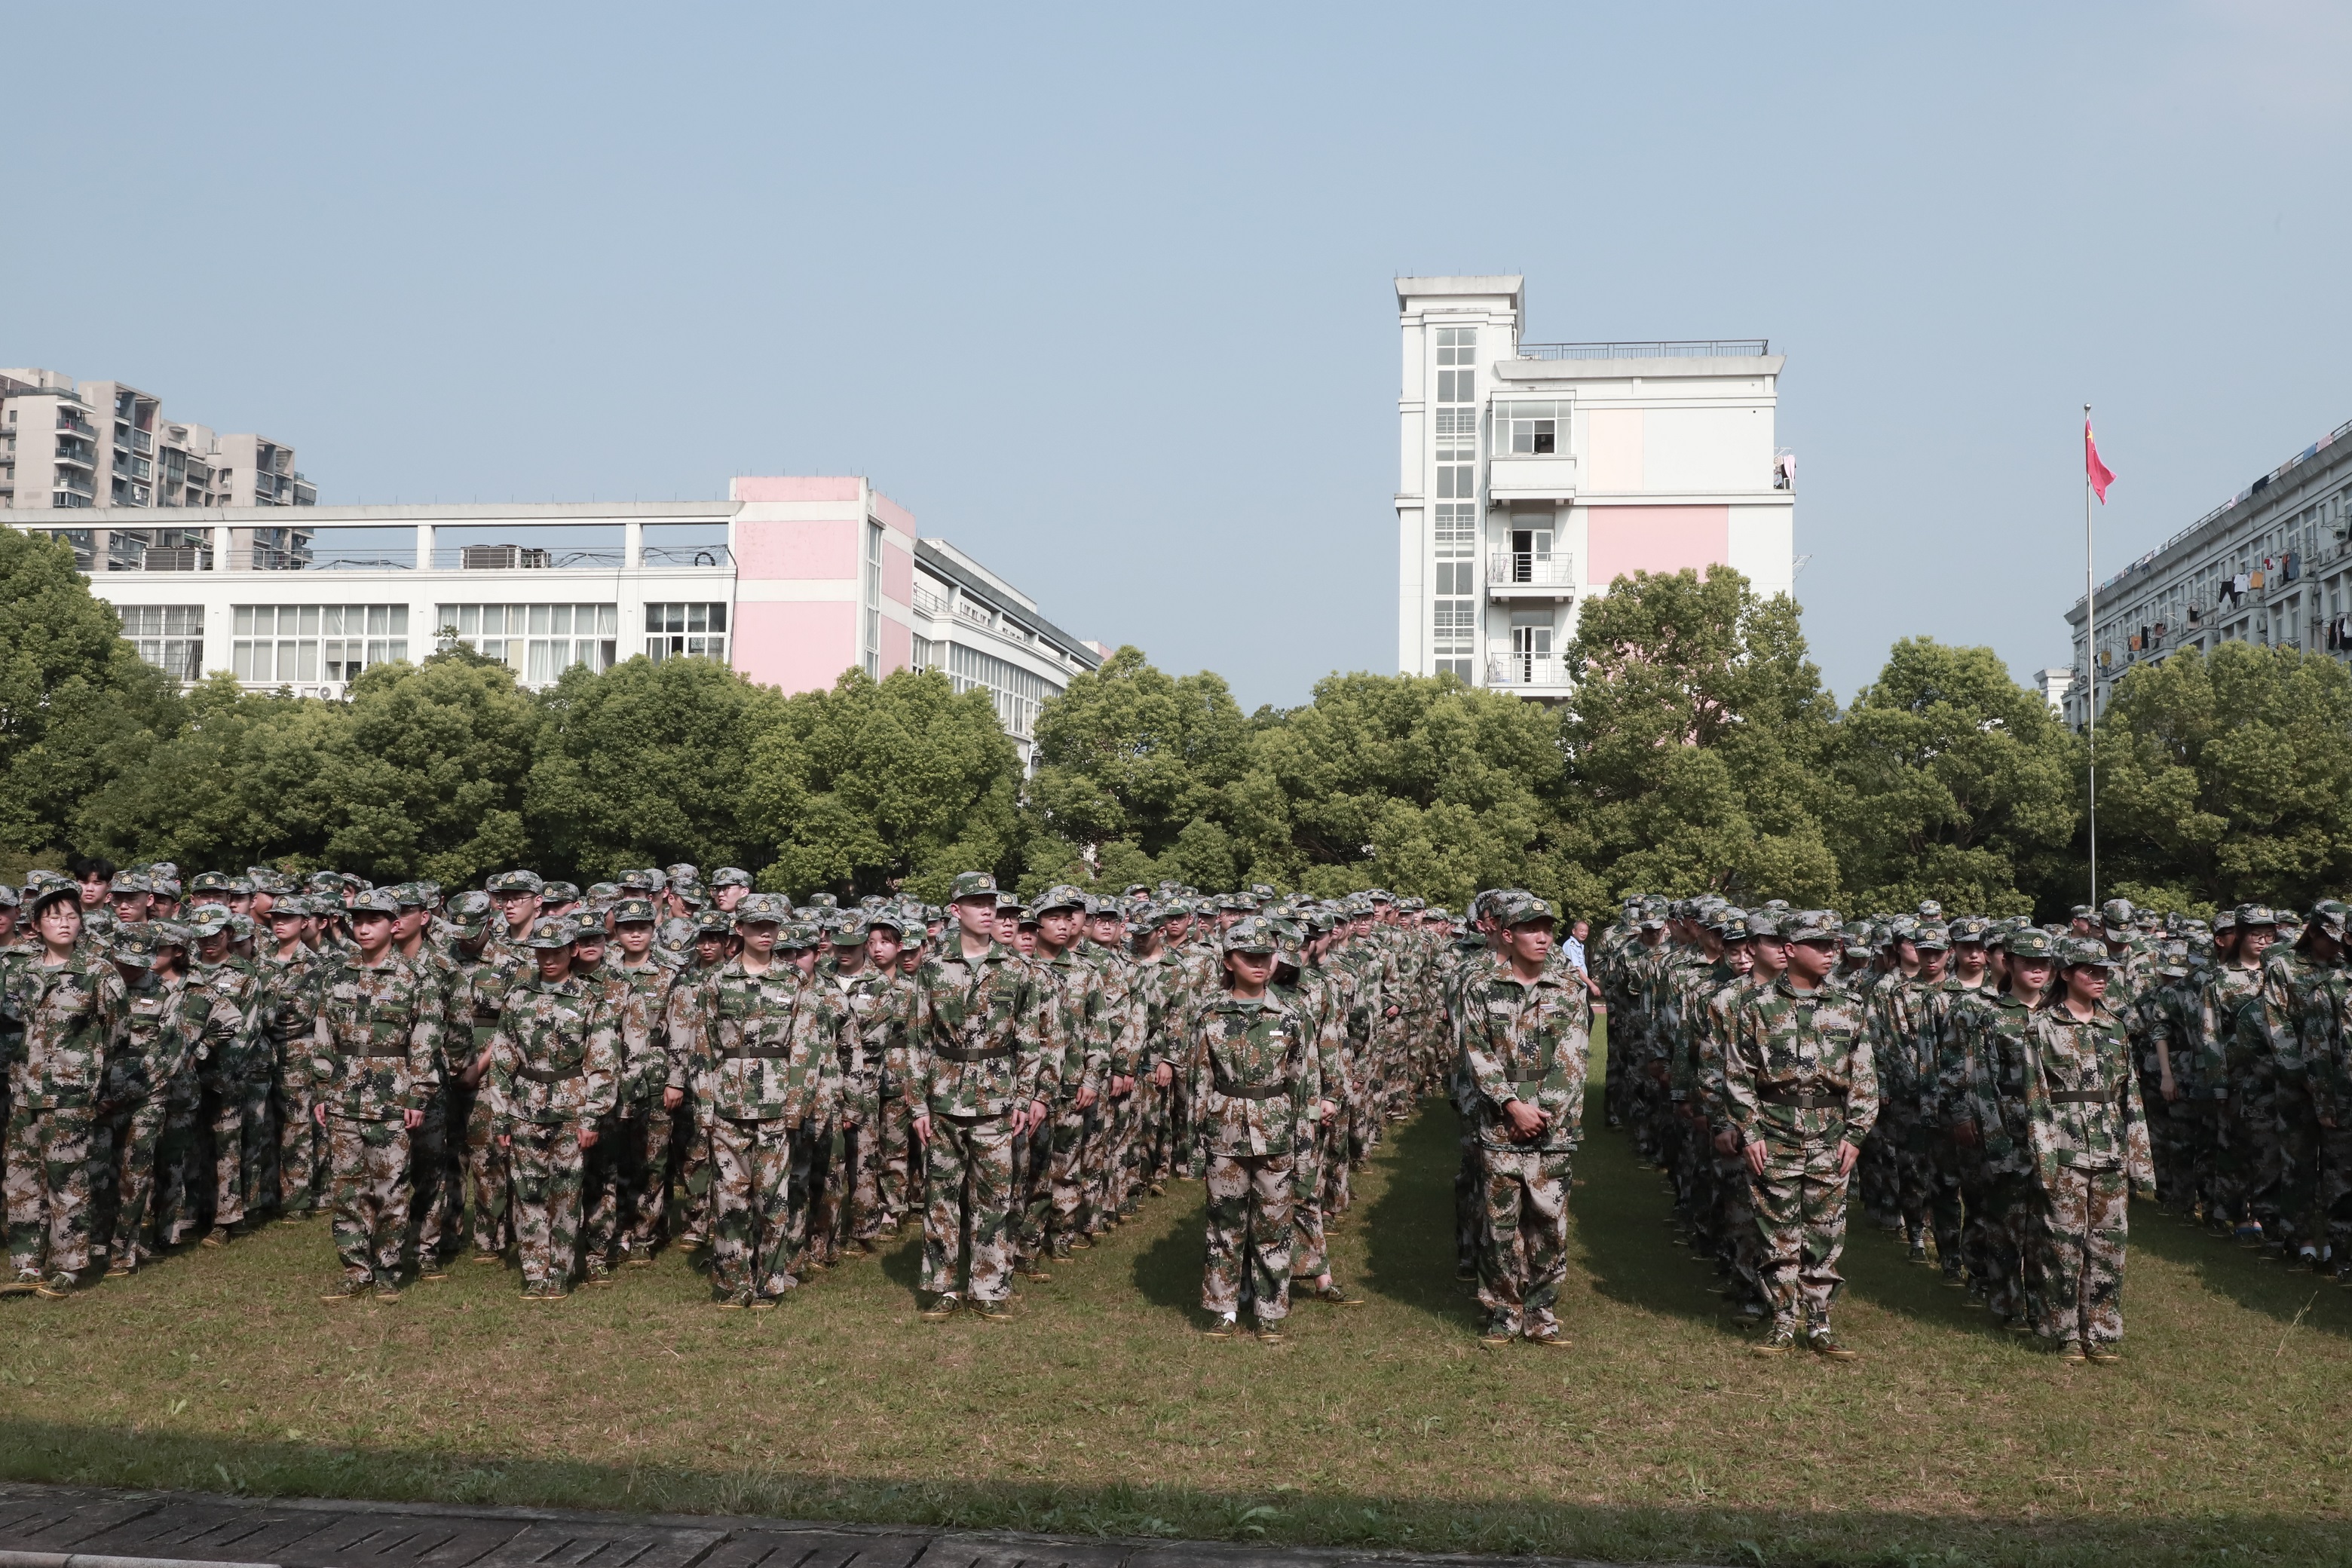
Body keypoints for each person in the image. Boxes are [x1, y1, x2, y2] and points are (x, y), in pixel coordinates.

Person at [1723, 911, 1877, 1359]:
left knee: (1825, 1232)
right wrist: (1750, 1131)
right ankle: (1783, 1320)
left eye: (1834, 944)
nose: (1831, 952)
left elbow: (1864, 1076)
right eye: (1820, 944)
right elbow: (1738, 1074)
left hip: (1831, 1133)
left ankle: (1820, 1321)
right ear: (1790, 950)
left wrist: (1857, 1133)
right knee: (1778, 1232)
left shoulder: (1850, 1005)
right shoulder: (1756, 1006)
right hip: (1775, 1130)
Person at [903, 872, 1049, 1321]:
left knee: (994, 1196)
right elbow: (916, 1039)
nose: (987, 910)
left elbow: (1030, 1040)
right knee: (941, 1195)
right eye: (976, 902)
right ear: (955, 910)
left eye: (991, 902)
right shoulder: (932, 966)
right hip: (943, 1095)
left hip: (997, 1096)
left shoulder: (1018, 968)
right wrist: (917, 1104)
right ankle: (943, 1285)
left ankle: (988, 1286)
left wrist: (1025, 1098)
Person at [2009, 939, 2154, 1361]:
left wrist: (2139, 1158)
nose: (2100, 978)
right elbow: (2035, 1099)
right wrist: (2045, 1159)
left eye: (2104, 971)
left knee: (2109, 1245)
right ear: (2067, 973)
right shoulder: (2042, 1027)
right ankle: (2065, 1332)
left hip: (2111, 1151)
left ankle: (2101, 1332)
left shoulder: (2115, 1027)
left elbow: (2131, 1097)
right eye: (2091, 971)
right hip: (2065, 1151)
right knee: (2063, 1245)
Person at [1457, 893, 1591, 1347]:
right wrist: (1512, 1107)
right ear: (1507, 935)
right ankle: (1504, 1310)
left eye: (1547, 929)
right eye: (1531, 929)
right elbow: (1476, 1053)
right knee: (1500, 1224)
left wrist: (1539, 1114)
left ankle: (1541, 1312)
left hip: (1555, 1125)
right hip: (1500, 1123)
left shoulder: (1568, 989)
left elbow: (1573, 1059)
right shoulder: (1481, 987)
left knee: (1549, 1222)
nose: (1542, 937)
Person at [1187, 914, 1321, 1342]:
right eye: (1249, 957)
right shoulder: (1209, 1013)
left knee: (1273, 1224)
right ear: (1229, 960)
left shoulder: (1292, 1014)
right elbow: (1199, 1082)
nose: (1259, 964)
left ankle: (1270, 1310)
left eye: (1265, 956)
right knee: (1224, 1224)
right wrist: (1195, 1145)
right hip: (1224, 1130)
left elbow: (1305, 1084)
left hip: (1277, 1130)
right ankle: (1223, 1307)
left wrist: (1305, 1147)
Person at [309, 889, 445, 1302]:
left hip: (392, 1099)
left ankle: (388, 1270)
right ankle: (356, 1270)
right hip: (343, 1097)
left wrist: (418, 1096)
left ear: (394, 925)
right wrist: (322, 1088)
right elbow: (324, 1035)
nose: (364, 928)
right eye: (359, 920)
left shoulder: (416, 978)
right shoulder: (337, 974)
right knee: (347, 1189)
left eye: (374, 920)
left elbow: (425, 1041)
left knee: (391, 1188)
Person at [487, 917, 622, 1300]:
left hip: (571, 1108)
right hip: (524, 1107)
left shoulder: (591, 1000)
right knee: (528, 1191)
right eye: (541, 952)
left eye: (556, 952)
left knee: (566, 1193)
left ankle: (559, 1272)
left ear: (573, 951)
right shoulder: (518, 998)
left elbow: (603, 1063)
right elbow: (502, 1059)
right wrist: (500, 1114)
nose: (548, 960)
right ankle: (535, 1273)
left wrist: (592, 1116)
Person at [4, 881, 127, 1297]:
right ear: (36, 924)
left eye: (72, 916)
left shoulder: (99, 972)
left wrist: (87, 1073)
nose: (64, 924)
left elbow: (117, 1033)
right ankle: (26, 1265)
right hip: (24, 1091)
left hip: (70, 1096)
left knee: (67, 1181)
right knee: (21, 1179)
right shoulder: (20, 971)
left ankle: (69, 1266)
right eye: (54, 917)